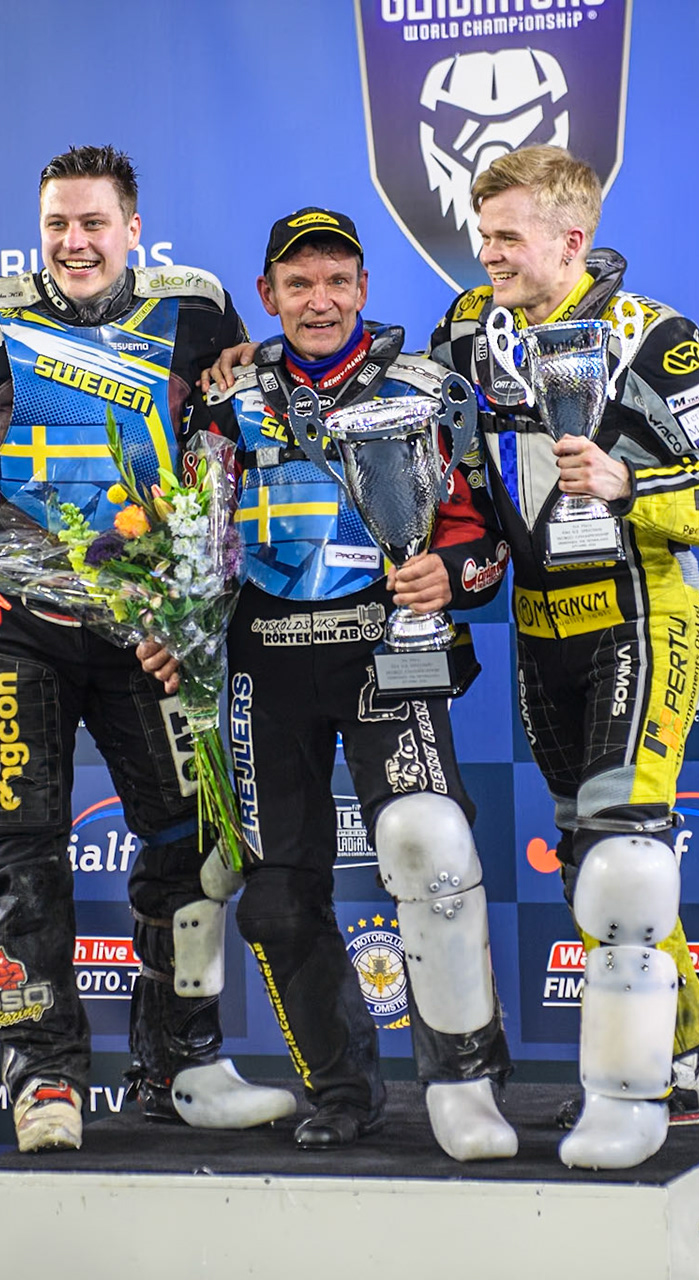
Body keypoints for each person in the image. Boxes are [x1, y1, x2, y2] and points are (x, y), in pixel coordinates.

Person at [0, 144, 293, 1153]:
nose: (75, 243)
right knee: (20, 849)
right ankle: (43, 1077)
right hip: (13, 625)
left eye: (94, 224)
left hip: (151, 631)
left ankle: (184, 1066)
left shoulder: (197, 306)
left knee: (197, 844)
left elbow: (236, 448)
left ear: (131, 227)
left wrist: (198, 613)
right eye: (57, 226)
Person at [427, 145, 699, 1169]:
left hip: (642, 614)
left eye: (509, 237)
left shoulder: (656, 339)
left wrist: (631, 486)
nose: (488, 254)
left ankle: (638, 1083)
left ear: (573, 240)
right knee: (588, 855)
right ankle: (691, 1047)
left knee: (622, 843)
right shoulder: (465, 330)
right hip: (539, 621)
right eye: (483, 235)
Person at [192, 209, 518, 1158]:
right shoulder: (226, 397)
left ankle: (466, 1086)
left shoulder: (427, 392)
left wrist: (448, 578)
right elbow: (185, 529)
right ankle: (338, 1090)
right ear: (268, 297)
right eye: (298, 284)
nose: (319, 301)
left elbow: (487, 540)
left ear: (365, 289)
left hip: (386, 652)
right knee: (276, 896)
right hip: (265, 662)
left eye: (337, 281)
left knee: (430, 846)